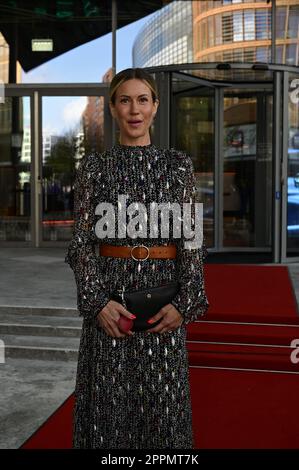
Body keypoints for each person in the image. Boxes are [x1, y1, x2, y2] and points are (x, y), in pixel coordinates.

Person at [65, 67, 209, 449]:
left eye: (142, 99)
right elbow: (81, 245)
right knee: (106, 422)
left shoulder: (178, 166)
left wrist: (185, 302)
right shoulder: (93, 168)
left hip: (164, 313)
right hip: (111, 313)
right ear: (112, 108)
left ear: (155, 106)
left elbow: (191, 241)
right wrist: (97, 303)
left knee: (164, 418)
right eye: (125, 100)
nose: (134, 109)